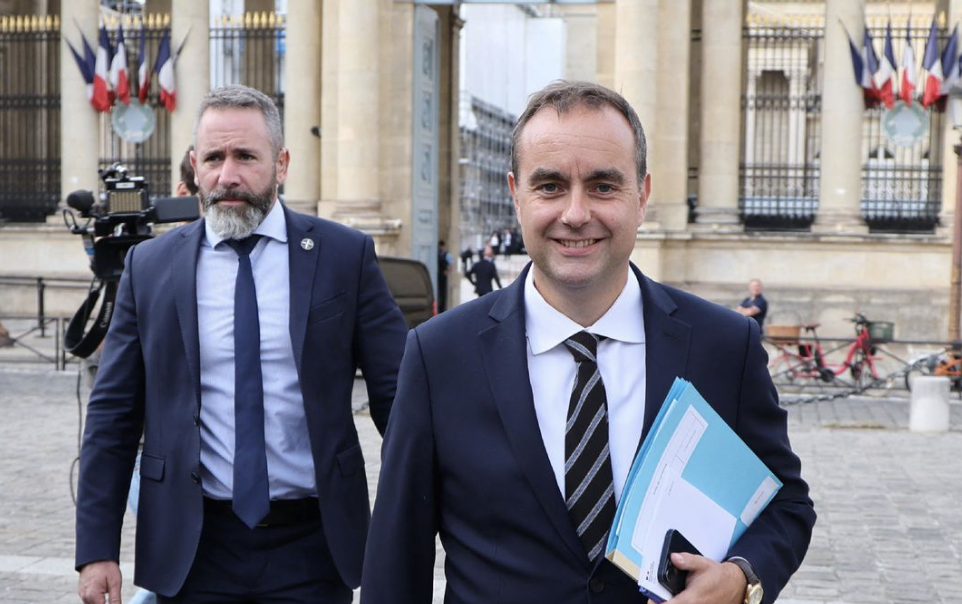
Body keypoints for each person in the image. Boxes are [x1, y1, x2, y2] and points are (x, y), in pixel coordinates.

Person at [362, 81, 815, 604]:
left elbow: (784, 503)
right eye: (550, 186)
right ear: (516, 194)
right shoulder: (438, 355)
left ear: (642, 195)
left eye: (603, 186)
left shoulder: (724, 345)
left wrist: (742, 577)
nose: (575, 213)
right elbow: (396, 559)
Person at [75, 85, 408, 604]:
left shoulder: (344, 256)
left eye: (245, 157)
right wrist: (97, 549)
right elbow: (113, 415)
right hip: (192, 544)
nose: (227, 175)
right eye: (214, 157)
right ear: (194, 166)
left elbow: (398, 401)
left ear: (281, 163)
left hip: (314, 543)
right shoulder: (151, 267)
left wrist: (421, 524)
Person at [437, 240, 454, 312]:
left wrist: (447, 271)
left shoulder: (447, 255)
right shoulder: (436, 254)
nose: (440, 248)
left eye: (441, 246)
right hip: (437, 275)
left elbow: (451, 265)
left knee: (443, 293)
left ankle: (442, 309)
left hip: (443, 276)